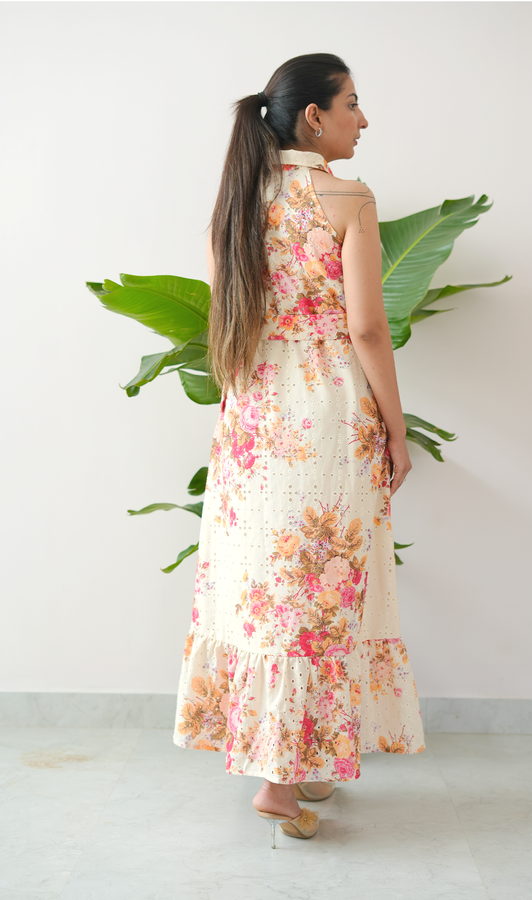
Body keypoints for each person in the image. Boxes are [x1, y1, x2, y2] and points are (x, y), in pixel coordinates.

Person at [172, 52, 425, 848]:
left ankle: (297, 756)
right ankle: (279, 789)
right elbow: (366, 328)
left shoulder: (237, 199)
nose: (363, 118)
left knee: (266, 588)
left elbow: (226, 321)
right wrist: (395, 423)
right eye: (352, 103)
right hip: (324, 414)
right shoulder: (346, 197)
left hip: (252, 417)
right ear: (314, 116)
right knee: (315, 598)